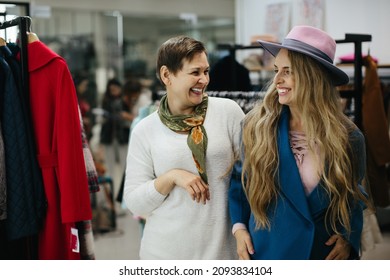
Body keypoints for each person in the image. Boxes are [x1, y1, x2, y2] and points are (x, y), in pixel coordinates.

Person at [228, 25, 372, 260]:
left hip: (321, 254)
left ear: (313, 76)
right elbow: (239, 183)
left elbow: (353, 196)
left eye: (288, 71)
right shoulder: (256, 127)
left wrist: (349, 238)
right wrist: (239, 229)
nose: (277, 80)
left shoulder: (349, 137)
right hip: (268, 251)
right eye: (276, 70)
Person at [123, 35, 245, 259]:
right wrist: (171, 177)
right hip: (163, 255)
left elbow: (252, 179)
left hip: (222, 254)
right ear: (166, 75)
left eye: (206, 72)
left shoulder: (229, 113)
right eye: (195, 72)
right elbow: (135, 203)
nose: (204, 80)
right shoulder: (145, 129)